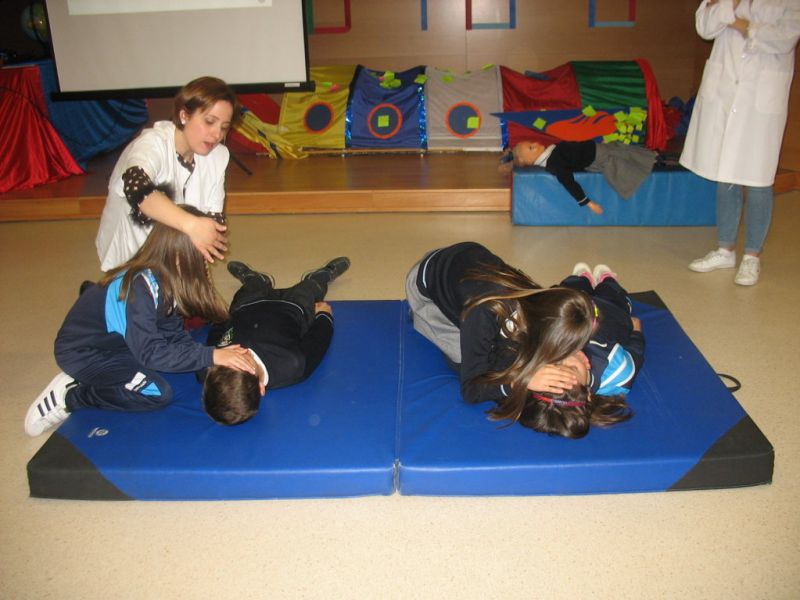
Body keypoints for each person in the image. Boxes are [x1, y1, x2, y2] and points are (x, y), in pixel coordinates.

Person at [24, 206, 257, 437]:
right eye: (204, 255)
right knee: (157, 392)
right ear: (179, 255)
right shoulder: (139, 288)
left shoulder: (167, 279)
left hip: (120, 344)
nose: (207, 262)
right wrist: (211, 356)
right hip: (82, 354)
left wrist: (212, 365)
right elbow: (151, 353)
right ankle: (71, 396)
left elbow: (172, 334)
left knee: (170, 359)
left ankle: (91, 379)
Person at [405, 241, 596, 431]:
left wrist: (575, 358)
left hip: (465, 265)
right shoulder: (485, 311)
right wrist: (519, 382)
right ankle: (423, 318)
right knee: (475, 363)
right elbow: (471, 391)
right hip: (425, 288)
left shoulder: (544, 308)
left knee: (508, 358)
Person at [680, 0, 800, 286]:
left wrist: (737, 22)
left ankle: (752, 256)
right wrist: (731, 7)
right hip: (724, 91)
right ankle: (725, 250)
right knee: (726, 175)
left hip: (760, 97)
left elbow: (784, 38)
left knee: (758, 179)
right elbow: (705, 26)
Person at [95, 76, 243, 271]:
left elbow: (213, 222)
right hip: (130, 256)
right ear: (184, 116)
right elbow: (136, 187)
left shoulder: (218, 156)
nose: (217, 135)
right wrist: (192, 225)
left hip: (174, 255)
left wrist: (200, 259)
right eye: (209, 122)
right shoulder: (152, 144)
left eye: (224, 127)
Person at [201, 257, 351, 425]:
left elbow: (215, 334)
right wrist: (324, 315)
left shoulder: (208, 365)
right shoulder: (292, 364)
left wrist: (220, 318)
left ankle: (255, 279)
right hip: (293, 306)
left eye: (227, 359)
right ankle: (320, 276)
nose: (238, 351)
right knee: (309, 289)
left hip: (247, 305)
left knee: (251, 288)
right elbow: (319, 339)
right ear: (261, 388)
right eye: (242, 360)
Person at [524, 263, 643, 439]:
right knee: (611, 290)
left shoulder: (539, 357)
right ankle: (607, 279)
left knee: (569, 288)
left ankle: (582, 278)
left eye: (556, 363)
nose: (569, 356)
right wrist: (636, 331)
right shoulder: (616, 371)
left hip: (573, 308)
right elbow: (636, 352)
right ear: (588, 394)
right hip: (610, 311)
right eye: (573, 368)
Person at [503, 139, 657, 215]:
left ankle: (651, 158)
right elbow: (568, 182)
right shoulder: (554, 162)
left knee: (622, 151)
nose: (536, 143)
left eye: (532, 143)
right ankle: (651, 160)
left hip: (596, 150)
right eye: (531, 147)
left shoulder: (551, 154)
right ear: (529, 160)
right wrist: (587, 202)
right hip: (598, 156)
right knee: (623, 156)